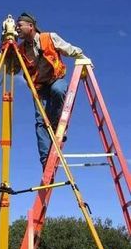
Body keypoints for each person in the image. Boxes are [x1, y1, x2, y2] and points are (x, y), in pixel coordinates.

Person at [15, 12, 90, 168]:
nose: (17, 28)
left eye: (19, 25)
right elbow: (14, 70)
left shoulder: (49, 37)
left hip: (56, 79)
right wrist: (8, 50)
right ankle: (45, 161)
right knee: (40, 121)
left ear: (31, 26)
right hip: (39, 87)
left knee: (58, 90)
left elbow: (68, 49)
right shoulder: (20, 49)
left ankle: (57, 125)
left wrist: (82, 57)